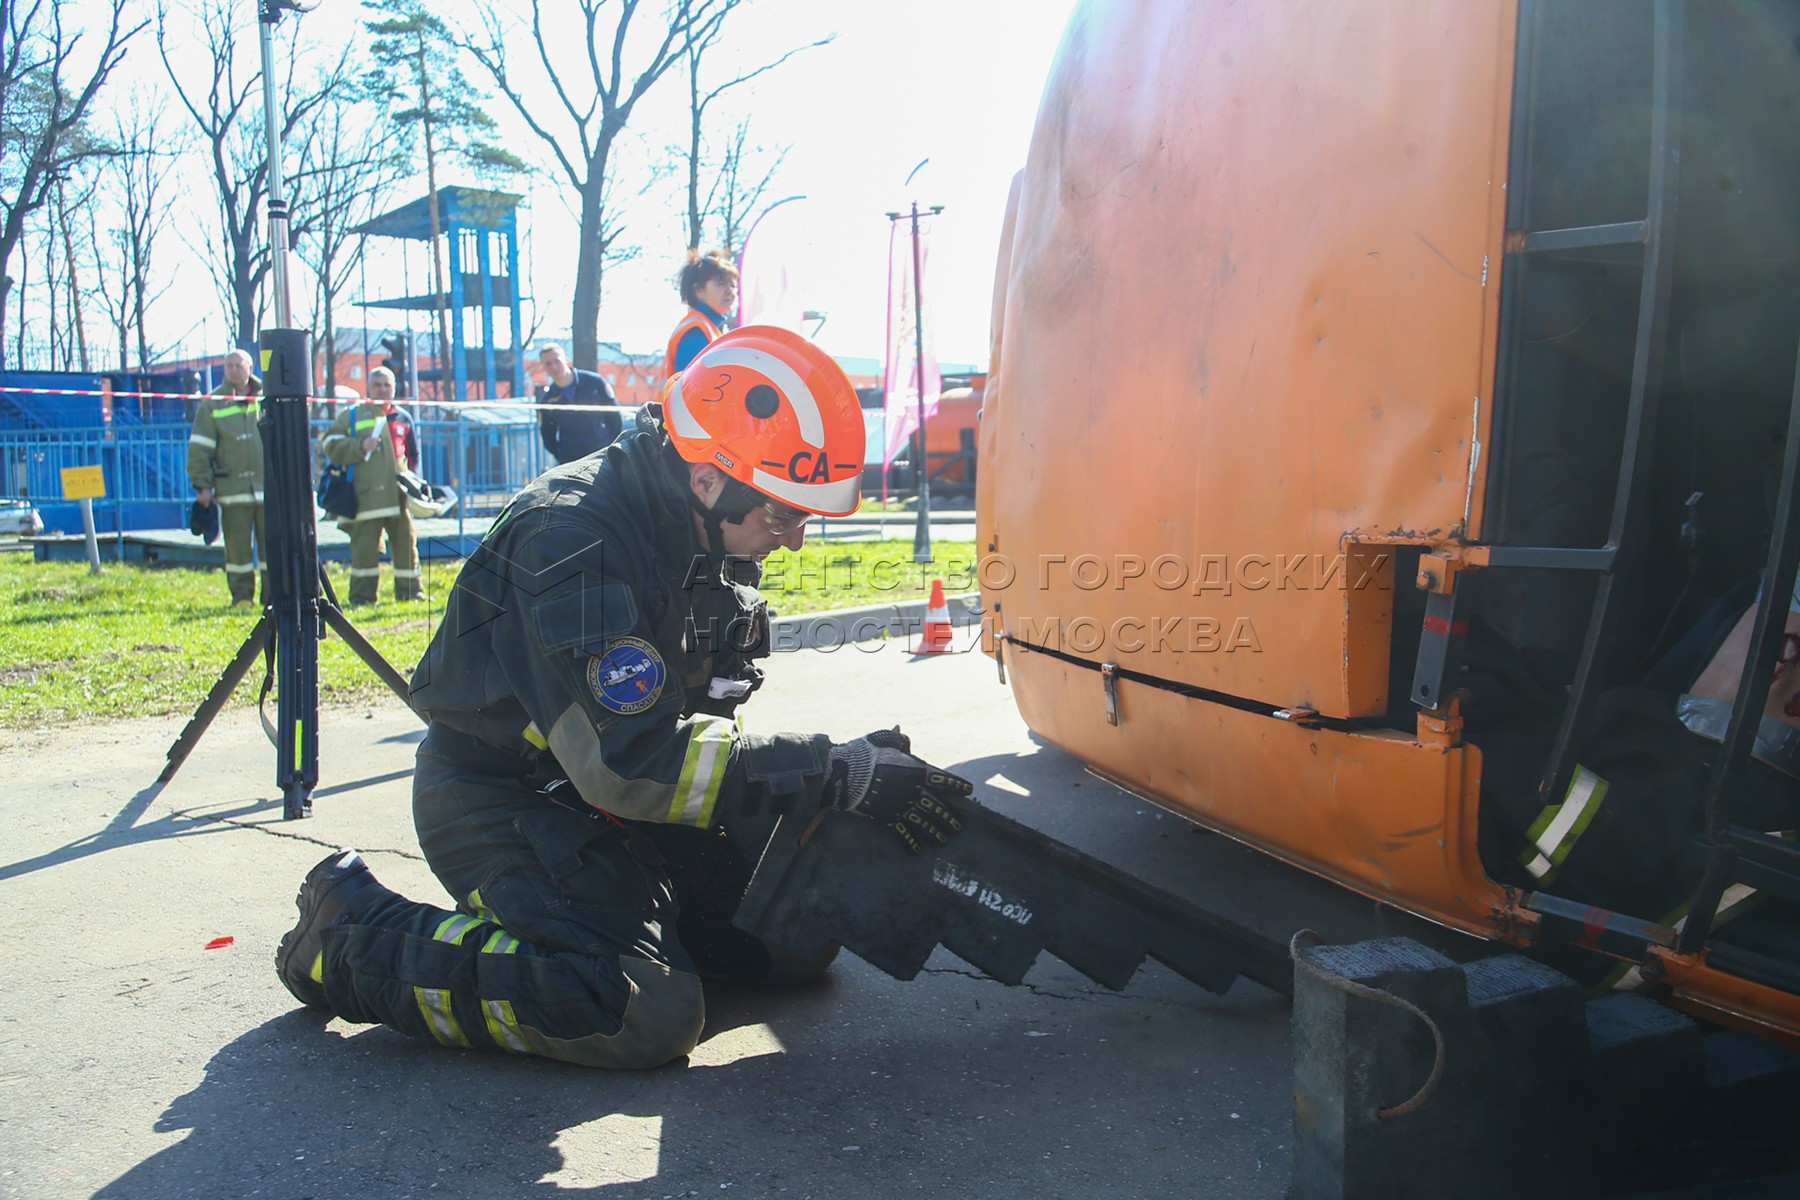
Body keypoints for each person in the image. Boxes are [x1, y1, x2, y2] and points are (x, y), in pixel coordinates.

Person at [274, 326, 971, 1069]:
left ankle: (618, 909)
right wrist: (828, 769)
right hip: (501, 794)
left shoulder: (700, 532)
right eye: (783, 515)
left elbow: (693, 728)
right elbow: (631, 762)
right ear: (708, 479)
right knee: (635, 1007)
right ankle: (351, 934)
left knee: (791, 939)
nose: (793, 540)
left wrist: (828, 791)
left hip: (615, 797)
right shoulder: (570, 539)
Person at [319, 367, 421, 605]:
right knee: (365, 551)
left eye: (387, 385)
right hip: (365, 499)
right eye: (377, 385)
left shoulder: (403, 418)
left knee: (407, 548)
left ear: (394, 388)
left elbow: (414, 457)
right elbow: (330, 443)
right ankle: (362, 598)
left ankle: (410, 594)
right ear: (368, 387)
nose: (383, 390)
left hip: (399, 498)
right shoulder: (352, 415)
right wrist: (359, 446)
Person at [186, 348, 265, 607]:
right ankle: (242, 597)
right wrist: (203, 486)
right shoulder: (212, 404)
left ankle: (272, 598)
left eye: (238, 365)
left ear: (250, 368)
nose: (233, 370)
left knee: (271, 550)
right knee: (237, 550)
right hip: (232, 489)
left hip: (267, 490)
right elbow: (199, 448)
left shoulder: (268, 398)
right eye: (229, 365)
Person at [535, 343, 622, 465]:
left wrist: (610, 446)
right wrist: (563, 454)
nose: (554, 367)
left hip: (602, 457)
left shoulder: (595, 382)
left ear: (565, 360)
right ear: (543, 367)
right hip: (571, 462)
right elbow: (548, 438)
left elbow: (615, 418)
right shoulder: (547, 400)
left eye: (557, 361)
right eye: (548, 364)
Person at [662, 249, 738, 382]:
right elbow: (690, 388)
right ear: (698, 290)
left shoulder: (708, 328)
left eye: (732, 285)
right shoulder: (696, 330)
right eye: (721, 284)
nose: (730, 291)